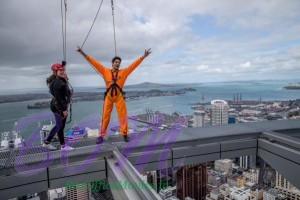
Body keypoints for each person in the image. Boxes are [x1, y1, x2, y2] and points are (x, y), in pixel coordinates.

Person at [77, 47, 151, 144]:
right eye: (116, 62)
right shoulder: (105, 71)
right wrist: (83, 53)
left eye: (119, 62)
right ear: (112, 63)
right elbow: (94, 62)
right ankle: (101, 135)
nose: (117, 63)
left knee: (123, 115)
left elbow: (134, 66)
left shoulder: (124, 72)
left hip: (119, 96)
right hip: (109, 97)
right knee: (105, 116)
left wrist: (143, 57)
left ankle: (125, 134)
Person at [43, 61, 74, 150]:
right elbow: (59, 98)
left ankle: (50, 142)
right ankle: (61, 145)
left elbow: (66, 93)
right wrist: (64, 109)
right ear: (55, 72)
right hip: (58, 107)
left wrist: (65, 79)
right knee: (59, 126)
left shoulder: (60, 80)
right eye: (60, 70)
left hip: (58, 106)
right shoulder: (57, 83)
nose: (62, 71)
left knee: (60, 126)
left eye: (63, 70)